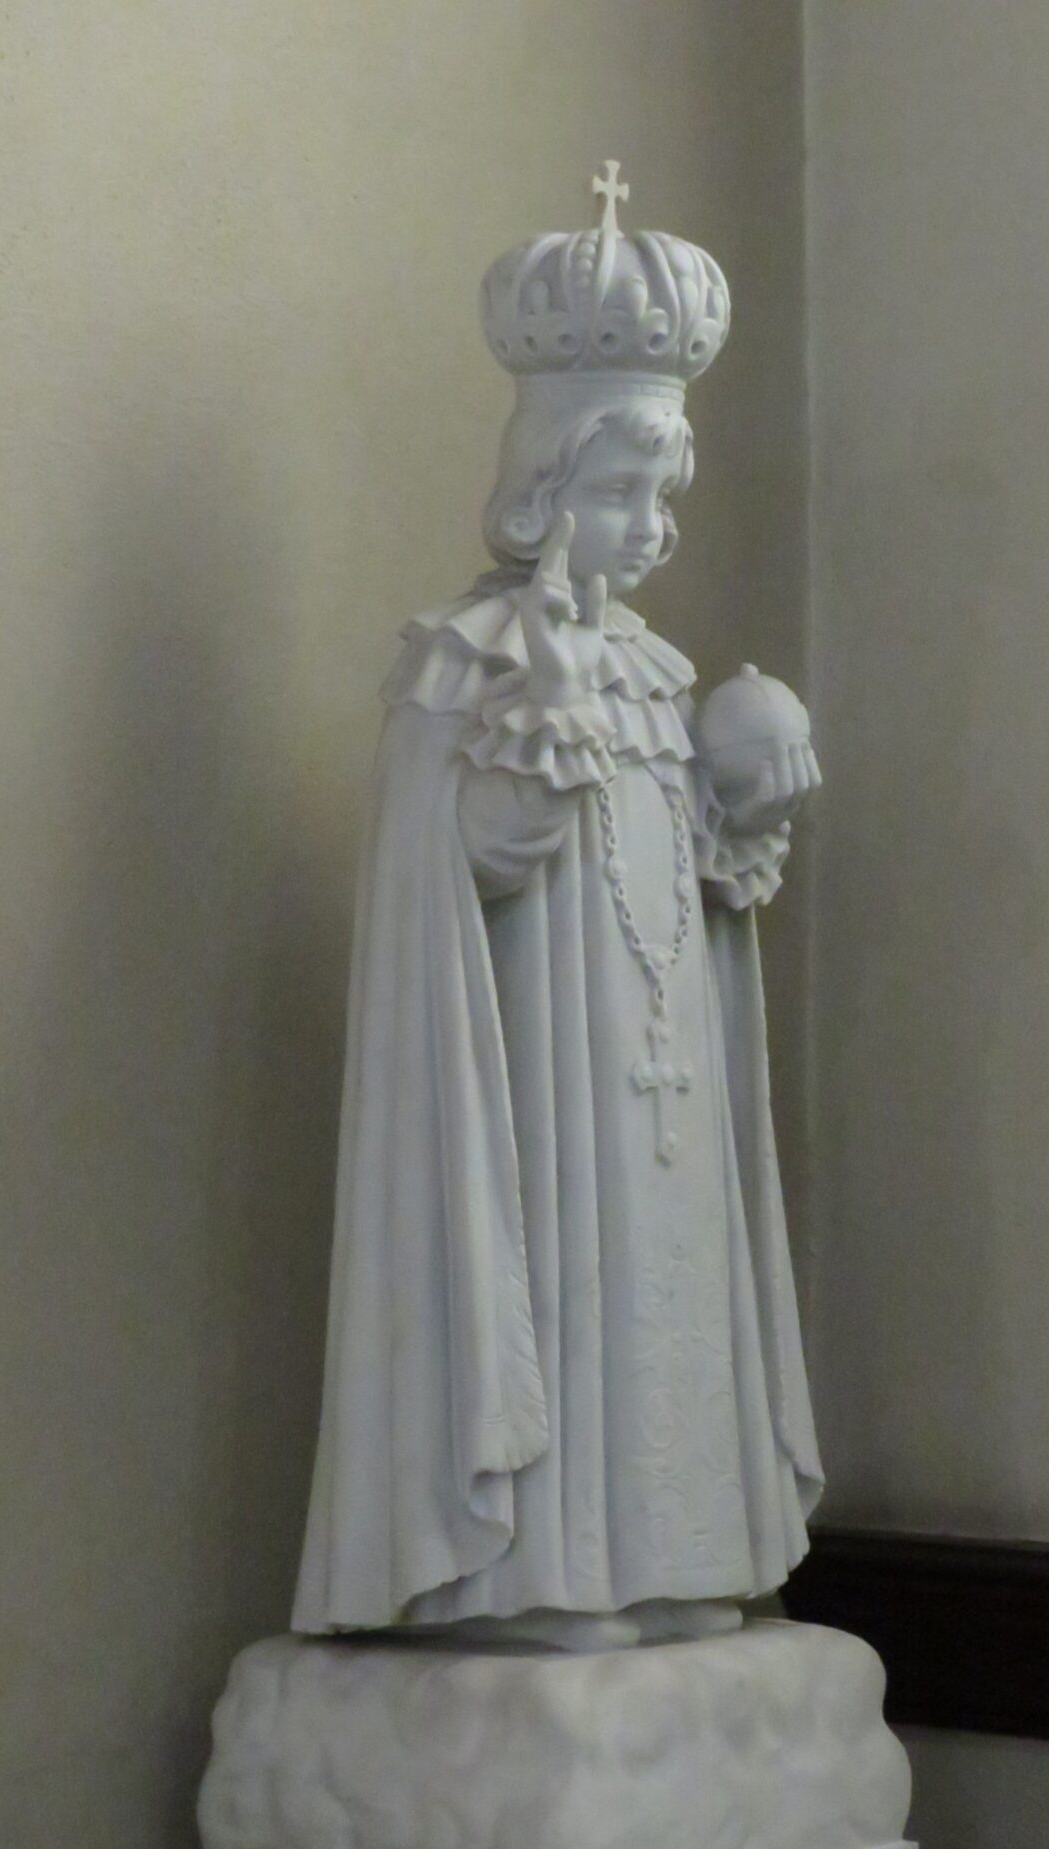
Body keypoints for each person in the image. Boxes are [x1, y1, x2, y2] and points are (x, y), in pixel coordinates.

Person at [293, 169, 822, 1650]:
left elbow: (693, 882)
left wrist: (742, 801)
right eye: (616, 494)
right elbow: (454, 867)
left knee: (662, 1295)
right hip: (537, 1077)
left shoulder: (659, 674)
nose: (647, 528)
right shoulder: (465, 660)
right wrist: (534, 752)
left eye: (663, 499)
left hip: (656, 1080)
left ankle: (673, 1560)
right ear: (539, 488)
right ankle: (533, 1576)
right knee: (564, 1294)